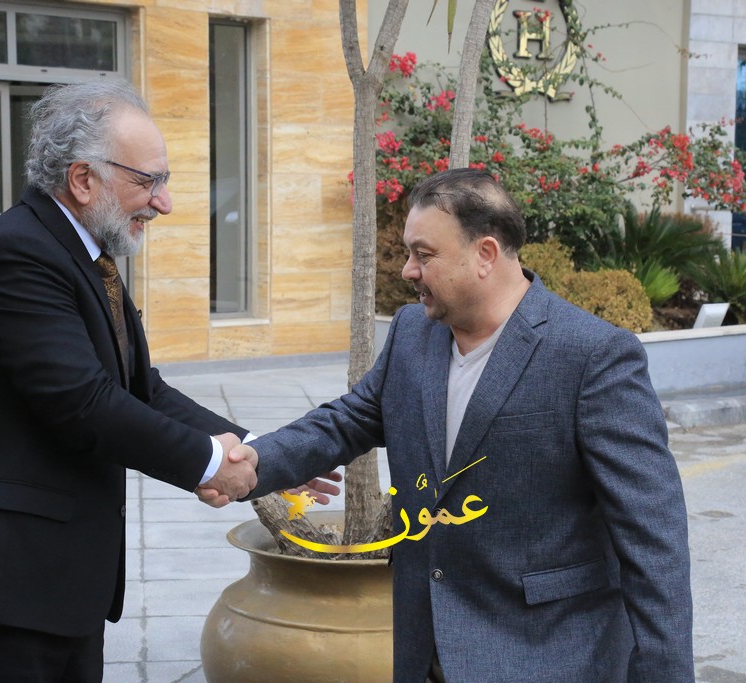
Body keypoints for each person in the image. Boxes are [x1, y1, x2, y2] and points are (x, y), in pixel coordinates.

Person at [219, 168, 695, 682]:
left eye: (423, 255)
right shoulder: (412, 332)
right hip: (426, 650)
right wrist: (256, 461)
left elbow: (652, 539)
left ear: (485, 254)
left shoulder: (593, 355)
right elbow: (349, 420)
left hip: (548, 656)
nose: (408, 270)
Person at [0, 80, 267, 682]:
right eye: (149, 181)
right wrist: (210, 464)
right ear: (83, 179)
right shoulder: (15, 254)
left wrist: (259, 451)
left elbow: (141, 389)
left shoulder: (83, 253)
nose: (164, 203)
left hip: (54, 593)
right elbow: (86, 404)